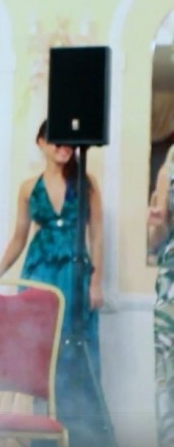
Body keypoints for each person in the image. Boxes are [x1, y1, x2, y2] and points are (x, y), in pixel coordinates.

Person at [0, 119, 107, 446]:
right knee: (38, 350)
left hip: (75, 274)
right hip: (38, 273)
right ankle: (41, 437)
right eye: (56, 140)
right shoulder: (29, 187)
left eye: (68, 142)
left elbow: (97, 236)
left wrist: (97, 282)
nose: (63, 147)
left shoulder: (87, 183)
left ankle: (80, 435)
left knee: (75, 348)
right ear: (41, 143)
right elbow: (19, 237)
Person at [149, 144, 174, 446]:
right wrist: (156, 225)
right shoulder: (170, 165)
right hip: (172, 284)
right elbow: (157, 239)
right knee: (168, 375)